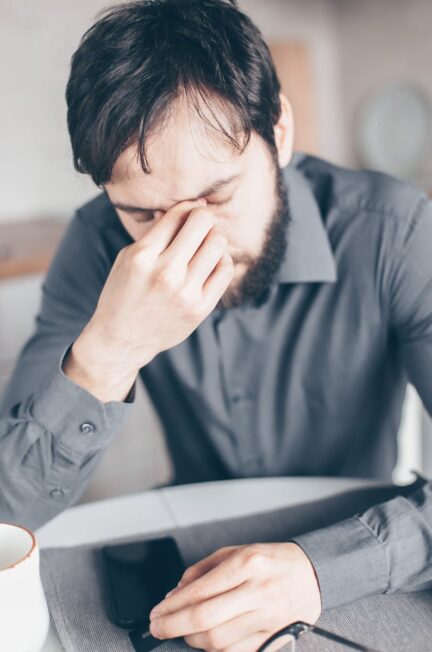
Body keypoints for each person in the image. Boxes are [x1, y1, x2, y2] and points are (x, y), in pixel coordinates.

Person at [1, 0, 431, 649]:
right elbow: (7, 520)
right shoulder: (94, 243)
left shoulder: (396, 234)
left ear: (280, 133)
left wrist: (319, 572)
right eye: (145, 215)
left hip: (357, 545)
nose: (189, 243)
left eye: (217, 197)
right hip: (190, 548)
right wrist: (109, 350)